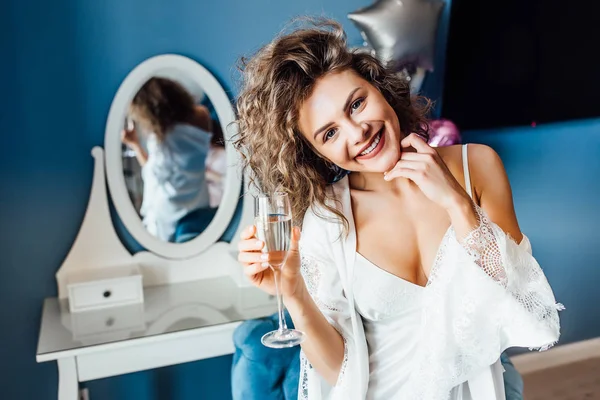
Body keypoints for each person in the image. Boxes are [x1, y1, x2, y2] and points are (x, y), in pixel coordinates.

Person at [234, 19, 562, 400]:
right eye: (330, 133)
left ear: (379, 87)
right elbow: (336, 370)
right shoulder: (328, 218)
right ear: (315, 153)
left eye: (357, 104)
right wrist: (293, 292)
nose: (357, 132)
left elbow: (529, 312)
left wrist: (456, 202)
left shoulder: (478, 166)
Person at [121, 77, 216, 242]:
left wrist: (135, 144)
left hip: (169, 209)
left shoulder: (161, 135)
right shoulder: (202, 115)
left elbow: (153, 173)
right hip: (198, 201)